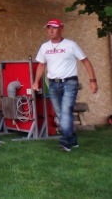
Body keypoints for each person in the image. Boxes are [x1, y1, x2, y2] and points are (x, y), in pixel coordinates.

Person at [31, 18, 98, 152]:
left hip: (69, 83)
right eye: (49, 27)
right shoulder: (45, 47)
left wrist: (92, 81)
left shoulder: (71, 45)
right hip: (53, 84)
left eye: (54, 27)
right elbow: (41, 65)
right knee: (61, 113)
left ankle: (65, 142)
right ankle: (72, 140)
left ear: (61, 29)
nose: (50, 30)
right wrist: (36, 81)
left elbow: (85, 62)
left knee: (66, 111)